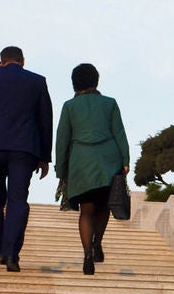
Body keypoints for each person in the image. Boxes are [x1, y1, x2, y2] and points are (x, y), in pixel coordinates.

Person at [0, 45, 52, 272]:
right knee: (17, 200)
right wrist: (45, 157)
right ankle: (11, 253)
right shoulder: (37, 81)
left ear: (1, 61)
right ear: (23, 61)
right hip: (24, 148)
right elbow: (45, 120)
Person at [53, 63, 129, 276]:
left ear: (74, 83)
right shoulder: (109, 103)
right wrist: (125, 159)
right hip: (108, 162)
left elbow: (62, 140)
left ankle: (87, 254)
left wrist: (61, 169)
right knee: (104, 208)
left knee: (86, 211)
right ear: (96, 81)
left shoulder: (69, 106)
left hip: (81, 164)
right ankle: (97, 243)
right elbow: (119, 133)